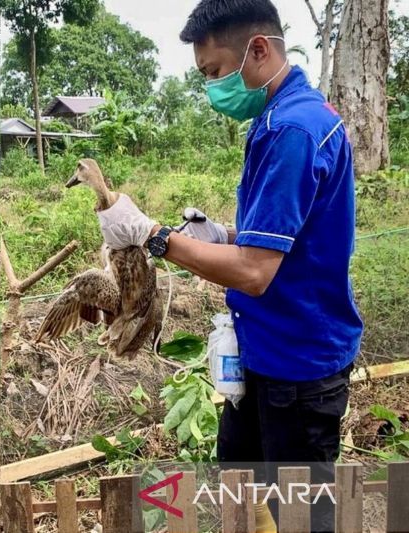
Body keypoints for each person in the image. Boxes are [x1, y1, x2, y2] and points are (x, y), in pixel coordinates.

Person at [97, 1, 362, 531]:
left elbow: (255, 273)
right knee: (242, 483)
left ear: (258, 49)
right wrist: (223, 235)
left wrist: (154, 236)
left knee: (302, 517)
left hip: (299, 367)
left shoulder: (292, 131)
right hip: (265, 355)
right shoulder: (283, 118)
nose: (213, 88)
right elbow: (285, 238)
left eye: (215, 73)